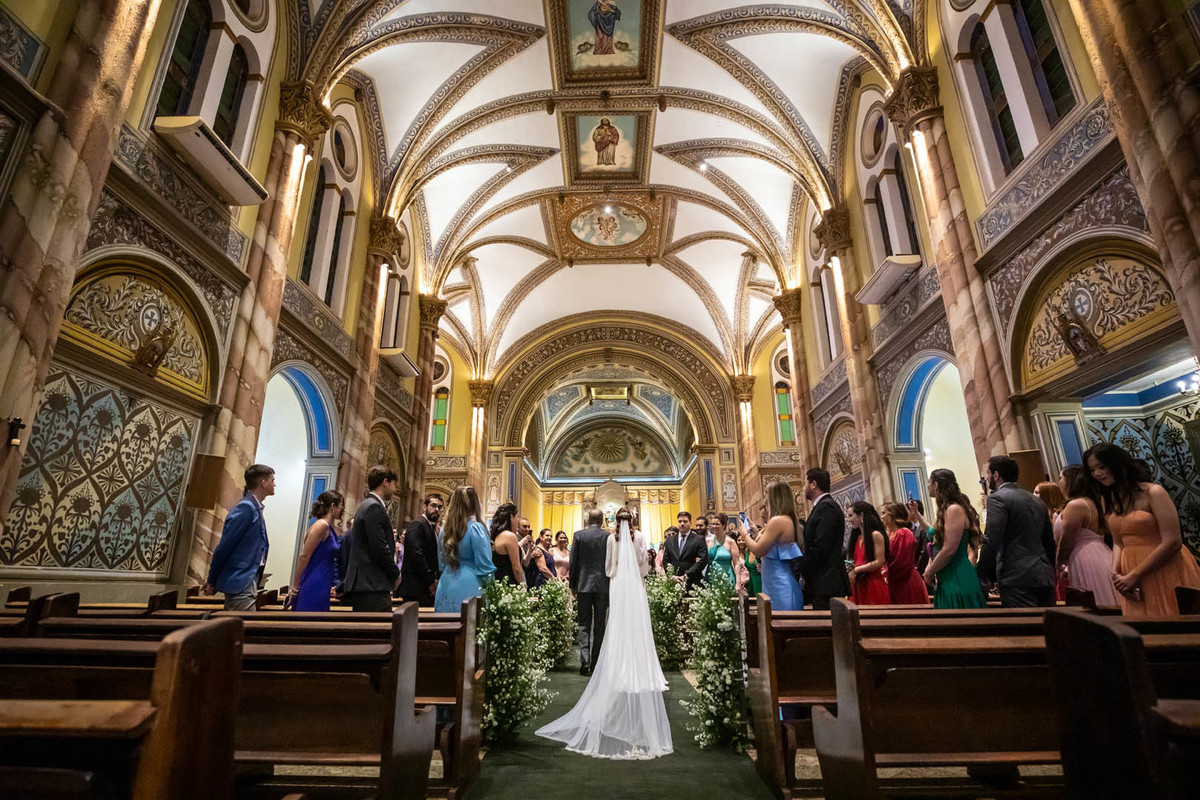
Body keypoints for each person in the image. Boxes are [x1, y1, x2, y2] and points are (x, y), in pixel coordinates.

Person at [538, 507, 672, 759]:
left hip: (604, 583)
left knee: (586, 624)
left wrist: (576, 584)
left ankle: (588, 661)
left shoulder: (592, 536)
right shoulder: (633, 536)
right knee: (607, 624)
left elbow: (594, 563)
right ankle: (605, 659)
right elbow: (643, 564)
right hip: (620, 586)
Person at [1085, 443, 1200, 616]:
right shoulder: (1108, 499)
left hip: (1163, 565)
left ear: (1118, 463)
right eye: (1092, 470)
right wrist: (1115, 571)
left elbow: (1173, 541)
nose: (1097, 474)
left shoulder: (1154, 492)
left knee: (1172, 621)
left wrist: (1135, 574)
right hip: (1129, 571)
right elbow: (1118, 542)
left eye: (1102, 467)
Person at [977, 455, 1057, 607]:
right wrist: (1050, 569)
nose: (986, 478)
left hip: (1016, 576)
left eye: (988, 473)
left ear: (996, 474)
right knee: (1050, 626)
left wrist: (981, 573)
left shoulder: (997, 498)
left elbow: (992, 538)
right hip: (1044, 575)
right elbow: (1049, 541)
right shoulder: (1036, 500)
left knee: (1027, 627)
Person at [203, 464, 275, 610]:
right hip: (241, 578)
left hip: (247, 577)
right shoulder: (246, 507)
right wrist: (212, 580)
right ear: (263, 482)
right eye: (272, 480)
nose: (275, 483)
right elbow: (225, 546)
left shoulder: (254, 506)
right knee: (242, 625)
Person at [1056, 465, 1119, 607]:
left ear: (1071, 481)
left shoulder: (1076, 505)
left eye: (1061, 478)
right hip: (1095, 552)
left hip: (1084, 556)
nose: (1058, 482)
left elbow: (1067, 539)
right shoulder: (1089, 502)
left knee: (1093, 601)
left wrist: (1059, 562)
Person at [923, 469, 987, 609]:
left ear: (936, 485)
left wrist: (929, 571)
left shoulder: (954, 509)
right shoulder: (947, 509)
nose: (926, 485)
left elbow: (949, 549)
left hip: (957, 576)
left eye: (929, 482)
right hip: (947, 575)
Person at [736, 482, 804, 610]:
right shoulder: (784, 519)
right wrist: (756, 533)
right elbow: (771, 548)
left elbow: (759, 551)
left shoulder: (778, 520)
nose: (764, 499)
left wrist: (745, 535)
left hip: (779, 584)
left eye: (766, 494)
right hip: (773, 581)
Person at [342, 465, 402, 612]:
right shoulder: (373, 507)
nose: (395, 489)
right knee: (376, 631)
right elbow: (379, 548)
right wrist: (395, 574)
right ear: (385, 482)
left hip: (368, 584)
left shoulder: (367, 505)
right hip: (371, 585)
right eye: (394, 484)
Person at [435, 486, 495, 612]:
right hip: (470, 586)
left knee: (444, 627)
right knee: (469, 628)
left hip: (446, 583)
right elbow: (485, 566)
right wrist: (494, 593)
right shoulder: (476, 529)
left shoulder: (444, 530)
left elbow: (441, 563)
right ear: (475, 504)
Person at [798, 468, 850, 609]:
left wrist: (799, 565)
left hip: (827, 583)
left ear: (813, 484)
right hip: (821, 582)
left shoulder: (827, 508)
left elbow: (821, 548)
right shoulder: (822, 507)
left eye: (805, 484)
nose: (803, 488)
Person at [570, 509, 611, 676]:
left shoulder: (579, 535)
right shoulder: (608, 536)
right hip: (603, 585)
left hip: (583, 585)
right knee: (599, 625)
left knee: (583, 623)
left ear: (587, 520)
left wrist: (573, 584)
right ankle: (596, 662)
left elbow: (574, 562)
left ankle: (584, 662)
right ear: (602, 521)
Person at [289, 490, 343, 612]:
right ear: (333, 506)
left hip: (323, 582)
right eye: (341, 506)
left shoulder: (328, 527)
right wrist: (295, 586)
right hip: (314, 581)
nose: (342, 509)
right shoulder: (321, 525)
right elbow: (304, 556)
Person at [398, 493, 442, 607]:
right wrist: (431, 582)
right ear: (425, 507)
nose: (436, 509)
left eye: (439, 507)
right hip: (416, 587)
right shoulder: (417, 525)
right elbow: (416, 555)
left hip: (423, 587)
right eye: (433, 505)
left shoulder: (429, 527)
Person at [879, 502, 929, 605]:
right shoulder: (888, 535)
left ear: (893, 515)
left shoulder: (904, 533)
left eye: (884, 513)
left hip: (906, 582)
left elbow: (902, 563)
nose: (881, 517)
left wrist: (887, 572)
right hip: (893, 582)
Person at [847, 501, 891, 605]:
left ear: (861, 515)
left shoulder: (876, 535)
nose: (849, 520)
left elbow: (879, 562)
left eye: (851, 515)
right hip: (858, 584)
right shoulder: (857, 538)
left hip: (872, 584)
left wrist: (857, 569)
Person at [661, 511, 708, 589]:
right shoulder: (670, 540)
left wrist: (686, 575)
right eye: (680, 521)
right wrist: (672, 576)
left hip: (693, 582)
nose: (682, 524)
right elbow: (665, 560)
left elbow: (702, 560)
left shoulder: (699, 539)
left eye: (685, 521)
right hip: (674, 582)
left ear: (690, 523)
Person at [490, 502, 526, 587]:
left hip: (499, 584)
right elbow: (516, 568)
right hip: (509, 586)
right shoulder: (509, 536)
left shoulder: (498, 535)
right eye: (517, 516)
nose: (518, 521)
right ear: (511, 517)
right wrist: (523, 585)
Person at [704, 513, 741, 587]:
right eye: (713, 524)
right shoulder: (707, 541)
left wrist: (738, 582)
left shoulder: (731, 542)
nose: (714, 526)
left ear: (724, 525)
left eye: (717, 524)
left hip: (727, 576)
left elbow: (737, 563)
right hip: (711, 576)